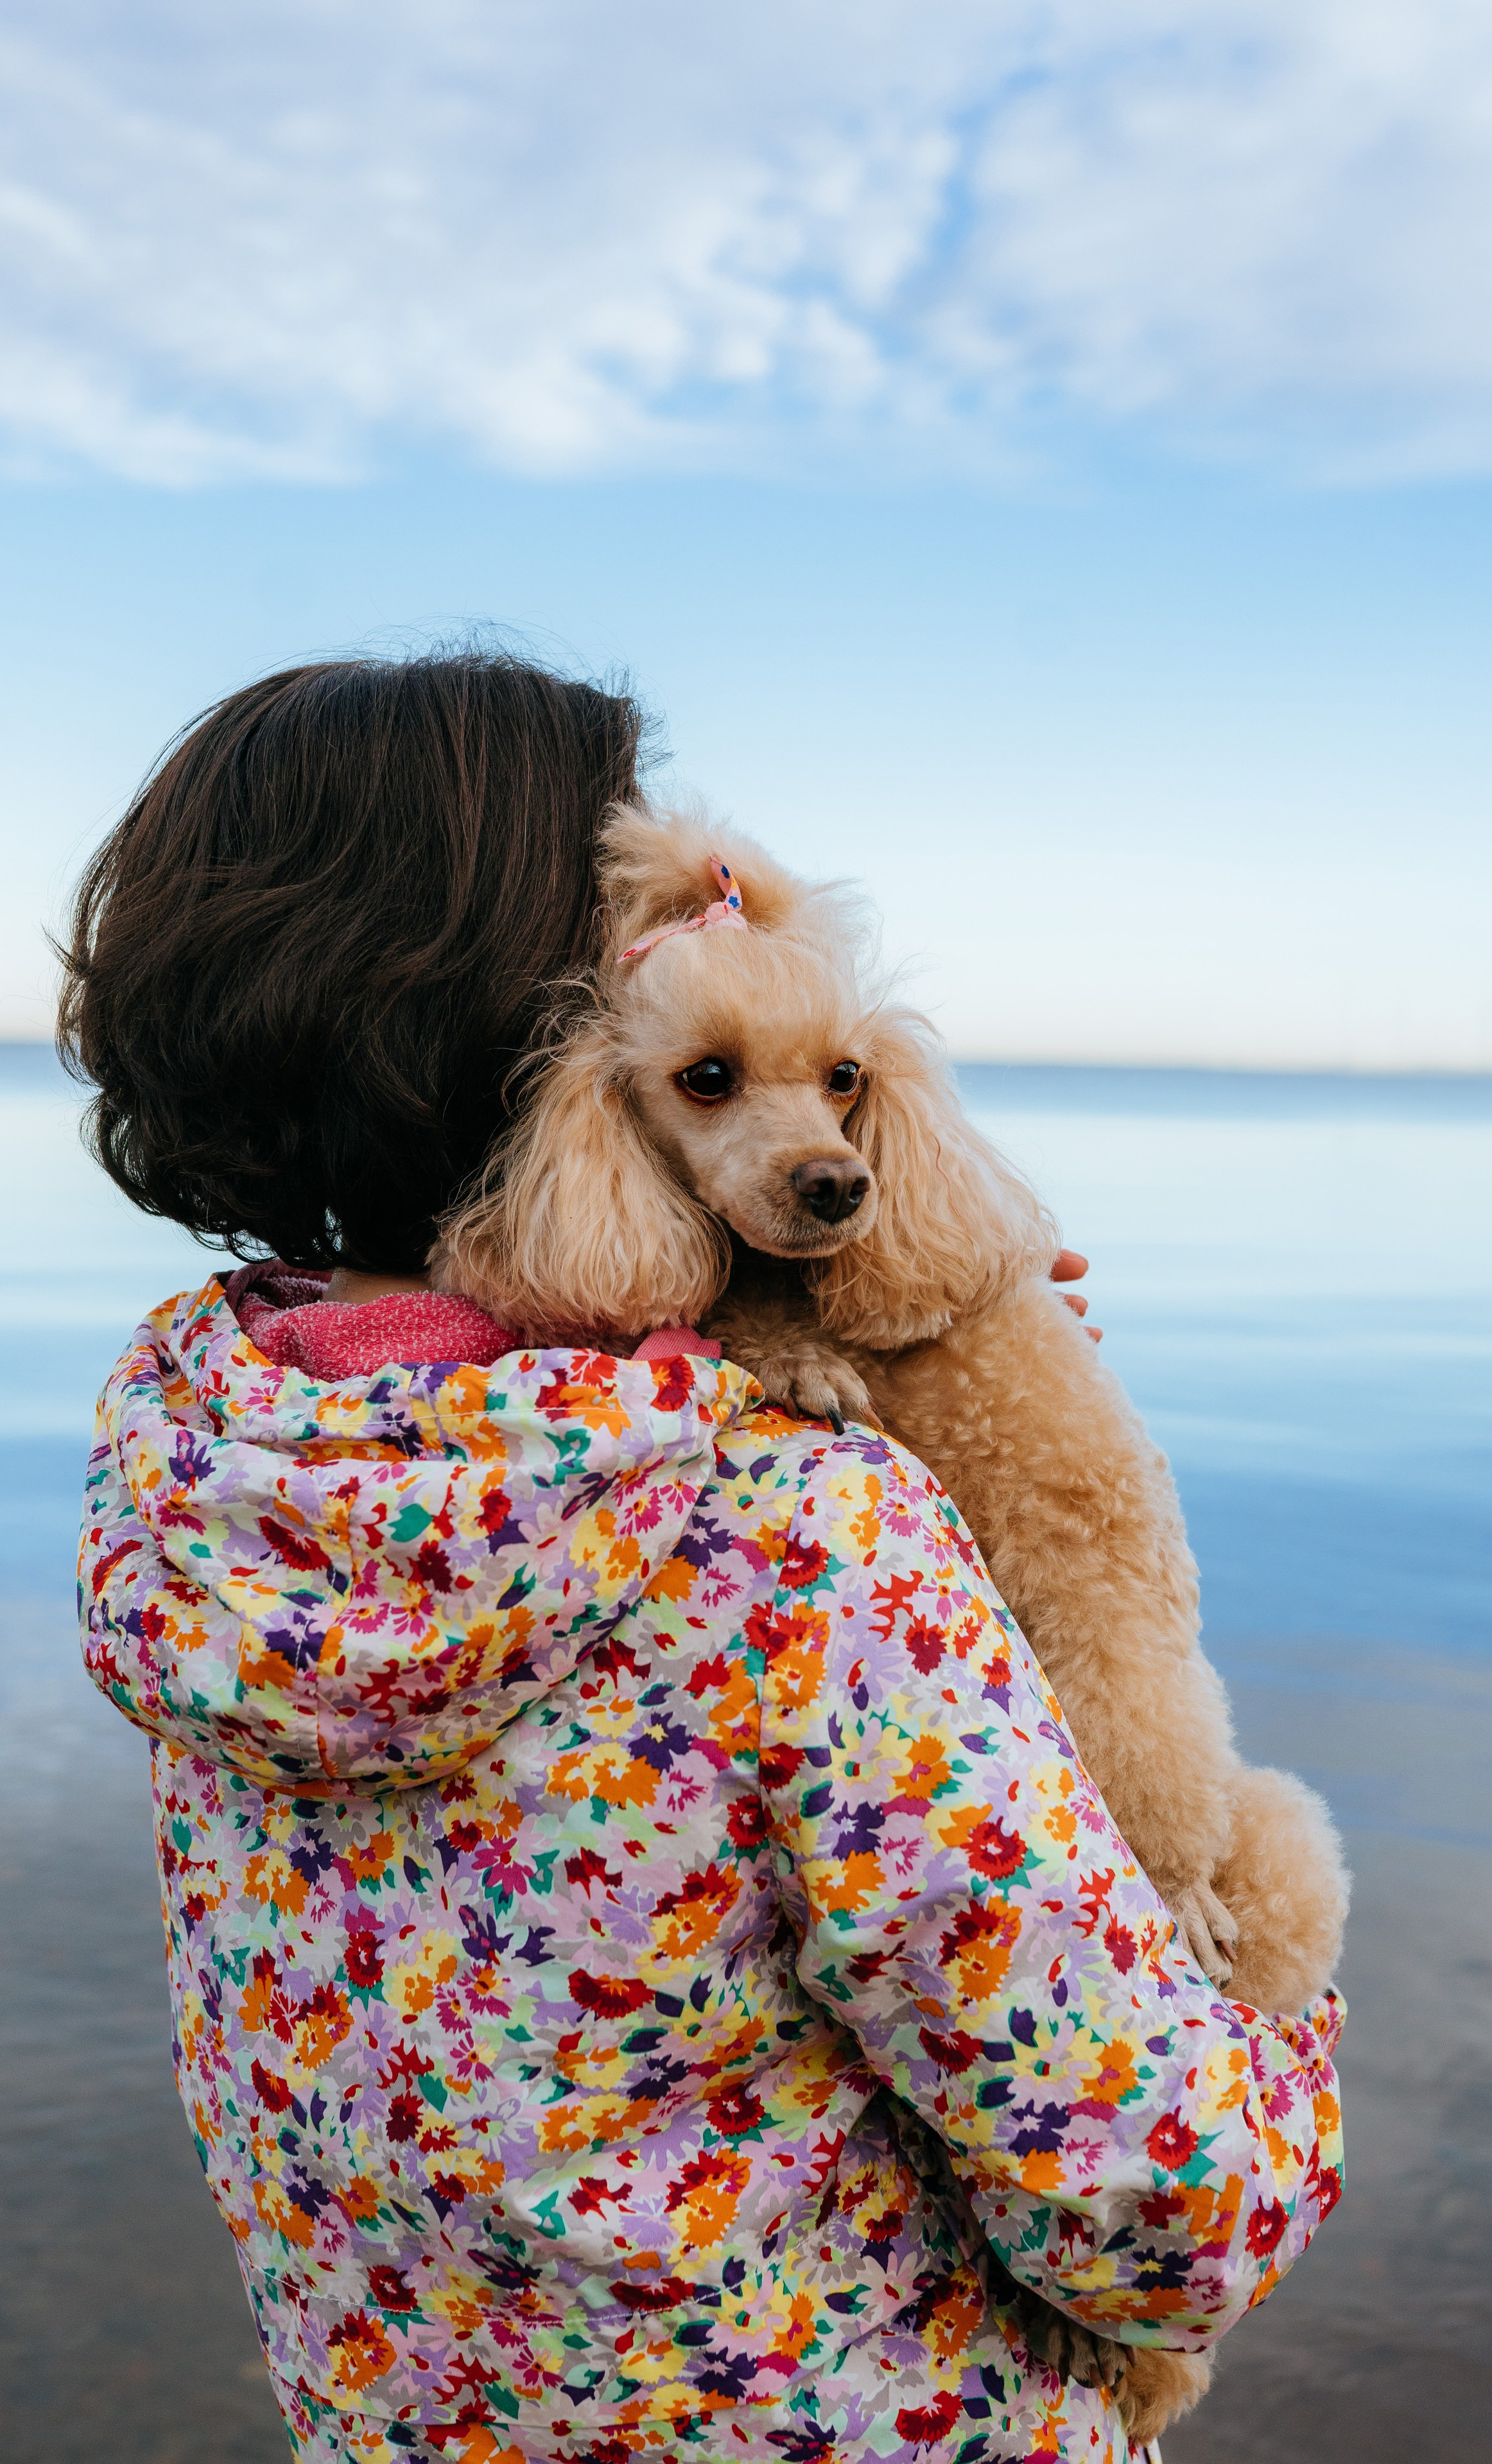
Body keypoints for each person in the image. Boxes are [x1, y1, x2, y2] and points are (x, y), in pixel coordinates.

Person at [62, 652, 1343, 2464]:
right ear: (530, 1030)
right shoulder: (787, 1527)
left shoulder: (209, 1473)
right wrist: (1279, 2012)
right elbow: (1175, 2199)